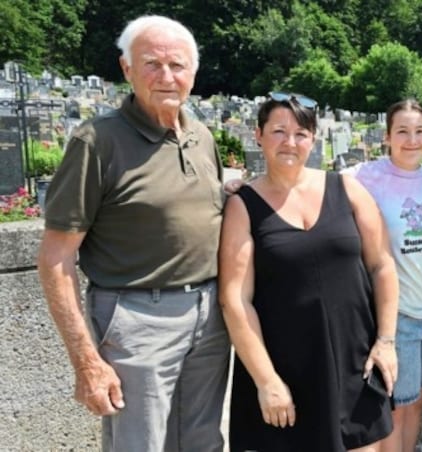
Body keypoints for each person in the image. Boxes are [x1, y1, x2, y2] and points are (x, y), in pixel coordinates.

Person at [37, 15, 230, 452]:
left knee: (203, 442)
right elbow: (55, 257)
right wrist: (86, 360)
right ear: (126, 69)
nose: (166, 76)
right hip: (138, 318)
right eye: (152, 64)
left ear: (193, 74)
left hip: (209, 316)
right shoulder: (97, 141)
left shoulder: (201, 136)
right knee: (140, 445)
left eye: (177, 65)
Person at [218, 92, 399, 452]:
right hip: (287, 368)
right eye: (278, 131)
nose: (290, 142)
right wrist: (266, 379)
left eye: (301, 133)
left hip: (354, 360)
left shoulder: (346, 189)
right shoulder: (243, 206)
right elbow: (235, 300)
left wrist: (386, 341)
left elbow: (382, 264)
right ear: (258, 135)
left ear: (313, 139)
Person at [343, 100, 422, 452]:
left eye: (420, 131)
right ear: (387, 136)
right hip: (397, 314)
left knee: (417, 400)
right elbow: (306, 185)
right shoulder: (364, 177)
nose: (411, 140)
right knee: (395, 406)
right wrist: (243, 189)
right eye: (402, 131)